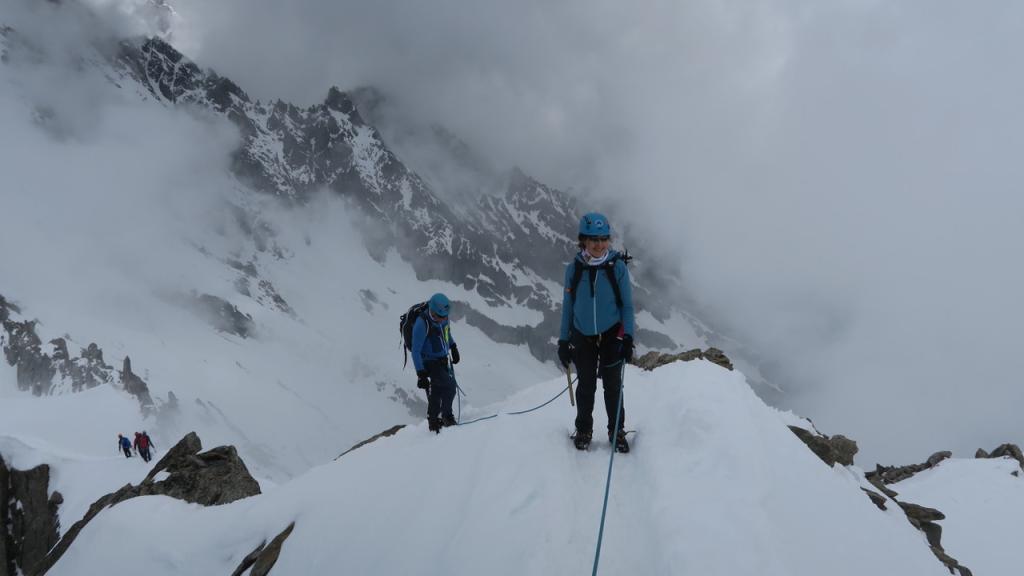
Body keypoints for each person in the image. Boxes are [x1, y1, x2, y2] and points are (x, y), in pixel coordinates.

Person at [557, 212, 635, 452]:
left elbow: (627, 306)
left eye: (603, 239)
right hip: (582, 335)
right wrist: (563, 341)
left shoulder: (617, 267)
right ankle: (584, 430)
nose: (599, 245)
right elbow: (568, 307)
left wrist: (628, 337)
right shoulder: (574, 269)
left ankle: (616, 431)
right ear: (583, 241)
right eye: (594, 240)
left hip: (612, 334)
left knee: (612, 386)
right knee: (586, 385)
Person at [411, 293, 460, 433]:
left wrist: (453, 346)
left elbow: (446, 333)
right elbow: (415, 351)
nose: (443, 319)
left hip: (442, 359)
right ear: (432, 311)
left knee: (437, 390)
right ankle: (446, 416)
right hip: (429, 361)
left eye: (445, 316)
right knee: (450, 386)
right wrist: (421, 374)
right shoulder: (422, 324)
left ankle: (433, 420)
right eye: (440, 316)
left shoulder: (443, 318)